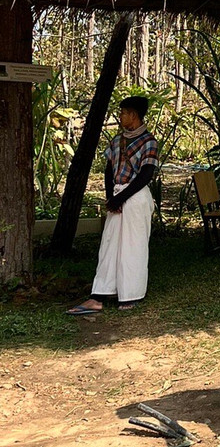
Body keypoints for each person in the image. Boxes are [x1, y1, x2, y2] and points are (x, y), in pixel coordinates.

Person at [66, 96, 159, 315]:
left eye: (124, 113)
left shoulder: (149, 141)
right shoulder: (118, 140)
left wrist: (122, 197)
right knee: (109, 245)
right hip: (118, 195)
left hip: (135, 198)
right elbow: (109, 169)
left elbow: (146, 174)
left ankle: (131, 295)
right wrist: (111, 197)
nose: (121, 117)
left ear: (134, 115)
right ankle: (98, 296)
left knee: (133, 246)